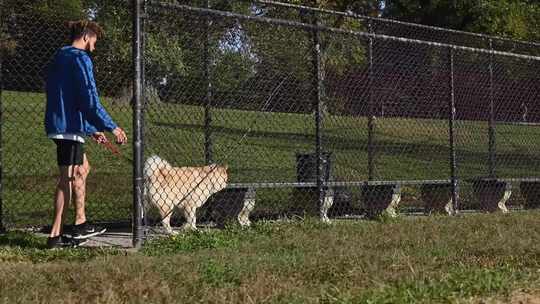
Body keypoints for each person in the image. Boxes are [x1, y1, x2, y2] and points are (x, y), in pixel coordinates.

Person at [44, 20, 128, 249]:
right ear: (86, 35)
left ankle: (79, 223)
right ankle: (55, 236)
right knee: (66, 181)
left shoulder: (60, 56)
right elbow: (90, 99)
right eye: (94, 39)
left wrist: (92, 129)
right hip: (68, 129)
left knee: (81, 170)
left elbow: (72, 98)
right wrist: (112, 127)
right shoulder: (81, 59)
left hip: (63, 125)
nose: (95, 44)